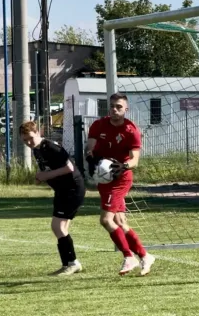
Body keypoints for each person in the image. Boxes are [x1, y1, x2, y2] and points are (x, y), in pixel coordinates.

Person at [86, 92, 155, 276]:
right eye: (112, 106)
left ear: (126, 109)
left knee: (106, 220)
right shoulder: (98, 125)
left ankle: (128, 256)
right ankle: (145, 255)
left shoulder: (131, 130)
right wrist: (91, 156)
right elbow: (90, 147)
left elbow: (135, 161)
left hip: (121, 178)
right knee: (120, 221)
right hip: (104, 178)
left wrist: (123, 166)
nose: (115, 110)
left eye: (119, 107)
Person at [19, 121, 85, 276]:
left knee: (57, 227)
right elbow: (49, 169)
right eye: (24, 140)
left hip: (72, 189)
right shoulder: (37, 149)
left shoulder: (50, 147)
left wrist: (45, 175)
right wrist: (41, 177)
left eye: (30, 138)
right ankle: (67, 264)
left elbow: (69, 168)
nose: (28, 142)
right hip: (62, 191)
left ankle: (73, 263)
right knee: (61, 228)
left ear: (38, 133)